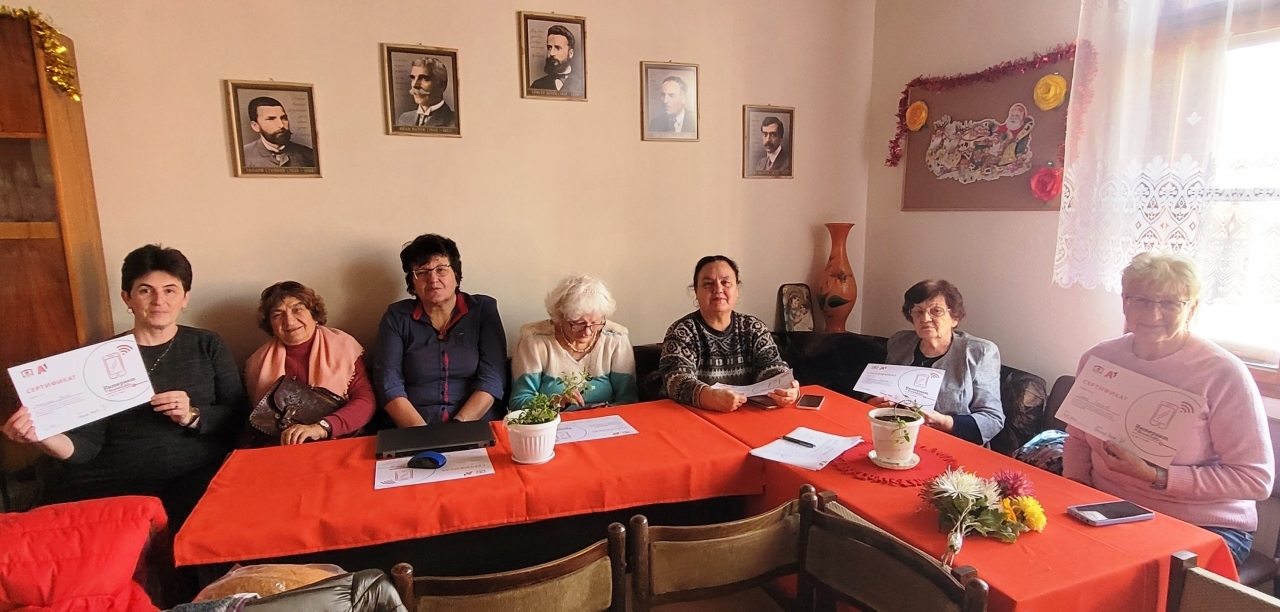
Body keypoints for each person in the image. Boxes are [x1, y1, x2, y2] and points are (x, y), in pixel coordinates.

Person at [2, 245, 247, 527]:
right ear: (127, 298)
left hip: (194, 474)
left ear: (185, 298)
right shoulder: (97, 357)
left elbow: (238, 416)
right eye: (145, 291)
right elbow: (86, 447)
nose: (158, 301)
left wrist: (192, 415)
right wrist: (42, 436)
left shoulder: (207, 344)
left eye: (170, 290)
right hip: (115, 480)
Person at [1063, 252, 1274, 568]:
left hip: (1201, 523)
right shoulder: (1100, 358)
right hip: (1108, 506)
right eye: (1141, 300)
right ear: (1124, 302)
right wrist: (1076, 490)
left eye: (1170, 303)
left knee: (1127, 582)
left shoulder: (1223, 373)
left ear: (1192, 308)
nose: (1153, 313)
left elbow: (1255, 479)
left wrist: (1157, 476)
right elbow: (1078, 439)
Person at [371, 234, 507, 426]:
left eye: (441, 269)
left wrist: (458, 428)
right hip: (412, 428)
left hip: (472, 424)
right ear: (412, 282)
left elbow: (493, 378)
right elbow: (388, 382)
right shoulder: (397, 317)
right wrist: (423, 434)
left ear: (456, 275)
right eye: (422, 272)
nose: (433, 279)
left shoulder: (483, 310)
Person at [867, 280, 1005, 446]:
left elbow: (993, 419)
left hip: (953, 445)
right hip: (896, 436)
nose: (925, 318)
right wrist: (872, 403)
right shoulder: (899, 342)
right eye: (918, 312)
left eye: (936, 311)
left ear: (954, 318)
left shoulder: (980, 352)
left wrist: (945, 422)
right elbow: (878, 387)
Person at [660, 255, 800, 412]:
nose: (718, 289)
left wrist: (786, 388)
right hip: (695, 417)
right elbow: (675, 380)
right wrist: (708, 397)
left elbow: (772, 368)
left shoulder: (754, 328)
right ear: (696, 292)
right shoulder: (682, 332)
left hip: (746, 414)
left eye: (725, 282)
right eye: (708, 284)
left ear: (737, 289)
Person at [243, 281, 376, 445]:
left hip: (338, 440)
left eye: (297, 309)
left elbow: (366, 401)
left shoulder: (344, 346)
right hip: (282, 446)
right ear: (270, 323)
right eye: (277, 314)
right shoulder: (257, 362)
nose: (289, 321)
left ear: (314, 313)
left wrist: (323, 427)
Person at [511, 274, 638, 411]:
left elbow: (628, 400)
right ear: (560, 316)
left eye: (595, 323)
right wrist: (556, 402)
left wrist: (604, 412)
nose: (588, 332)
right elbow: (518, 401)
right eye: (578, 323)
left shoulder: (616, 338)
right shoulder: (534, 340)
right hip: (553, 422)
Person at [241, 96, 316, 168]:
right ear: (255, 126)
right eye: (271, 119)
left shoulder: (309, 155)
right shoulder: (243, 156)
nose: (281, 125)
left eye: (283, 118)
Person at [395, 57, 456, 128]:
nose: (415, 85)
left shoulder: (455, 121)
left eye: (424, 79)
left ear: (442, 85)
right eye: (413, 78)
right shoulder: (404, 119)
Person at [529, 25, 583, 95]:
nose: (551, 53)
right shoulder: (537, 85)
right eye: (549, 48)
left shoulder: (582, 85)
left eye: (558, 48)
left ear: (570, 53)